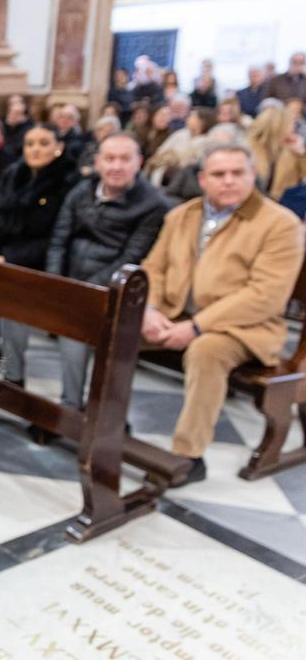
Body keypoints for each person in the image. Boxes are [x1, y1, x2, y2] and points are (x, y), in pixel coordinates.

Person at [141, 142, 304, 485]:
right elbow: (153, 268)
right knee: (114, 328)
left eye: (237, 173)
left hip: (246, 327)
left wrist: (197, 326)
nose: (228, 181)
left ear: (253, 175)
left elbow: (265, 296)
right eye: (219, 174)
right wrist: (151, 309)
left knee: (206, 350)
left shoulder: (279, 224)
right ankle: (105, 430)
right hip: (175, 314)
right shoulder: (182, 215)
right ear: (202, 179)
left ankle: (188, 455)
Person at [46, 133, 169, 409]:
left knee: (88, 331)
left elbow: (132, 257)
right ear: (98, 162)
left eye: (125, 159)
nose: (116, 166)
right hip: (73, 283)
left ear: (138, 162)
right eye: (110, 158)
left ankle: (104, 413)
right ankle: (69, 405)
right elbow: (59, 240)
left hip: (117, 289)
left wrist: (85, 292)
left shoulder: (152, 204)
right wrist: (56, 284)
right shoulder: (81, 191)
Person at [0, 126, 80, 390]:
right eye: (29, 144)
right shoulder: (14, 176)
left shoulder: (67, 182)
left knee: (14, 304)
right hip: (4, 262)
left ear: (58, 147)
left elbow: (55, 238)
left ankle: (14, 381)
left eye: (43, 143)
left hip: (38, 266)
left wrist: (8, 258)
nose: (35, 149)